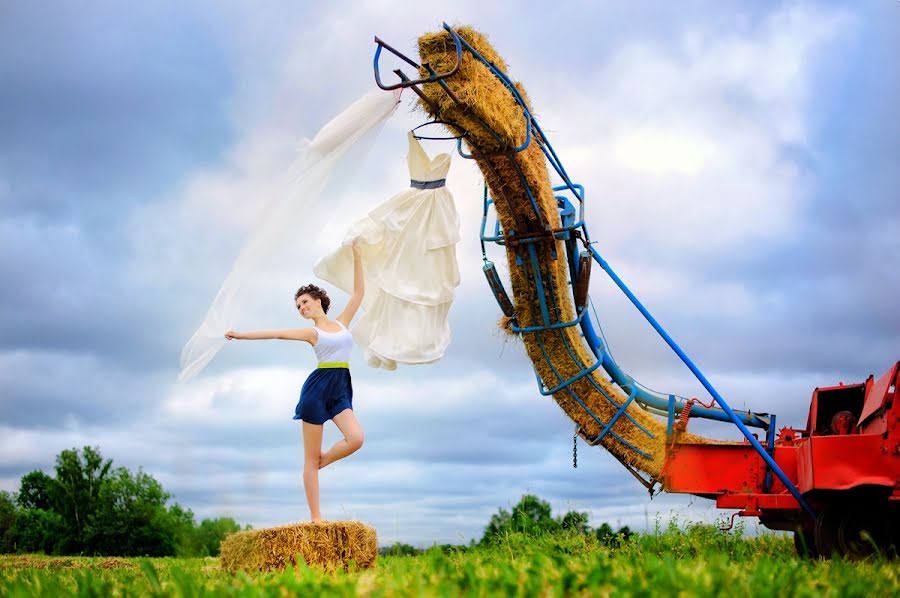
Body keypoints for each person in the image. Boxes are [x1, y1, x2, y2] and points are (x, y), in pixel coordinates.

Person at [224, 241, 364, 522]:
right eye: (298, 306)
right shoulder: (311, 333)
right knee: (308, 461)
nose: (301, 308)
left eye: (305, 302)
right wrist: (240, 335)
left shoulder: (341, 323)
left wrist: (357, 255)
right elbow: (276, 333)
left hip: (340, 388)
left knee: (356, 439)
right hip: (317, 390)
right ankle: (316, 518)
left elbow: (359, 293)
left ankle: (318, 463)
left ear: (318, 300)